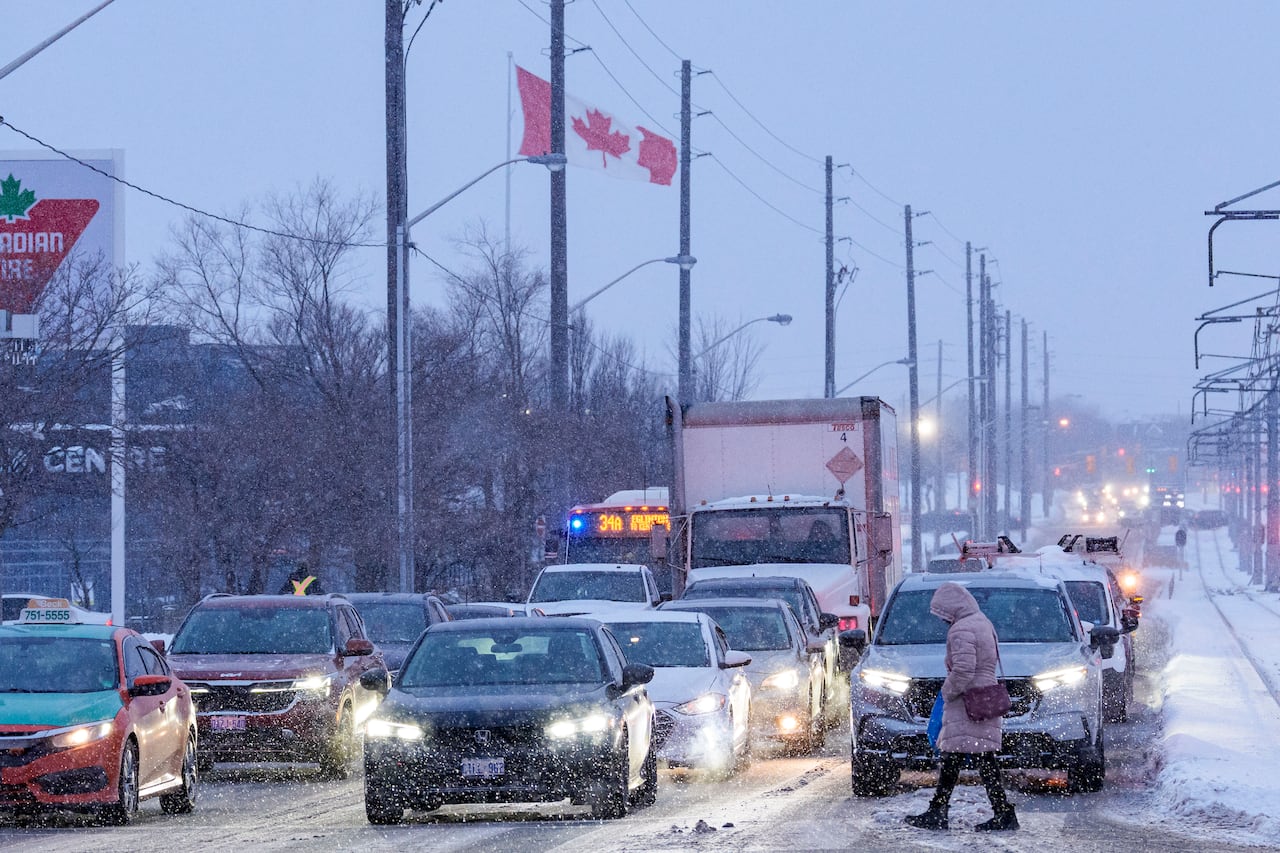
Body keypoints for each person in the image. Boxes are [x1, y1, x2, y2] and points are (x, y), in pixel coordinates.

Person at [905, 581, 1017, 832]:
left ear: (950, 608)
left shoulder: (961, 629)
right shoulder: (982, 621)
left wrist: (947, 692)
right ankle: (998, 812)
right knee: (971, 758)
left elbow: (964, 670)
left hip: (967, 702)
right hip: (984, 698)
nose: (942, 620)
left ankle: (941, 812)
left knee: (961, 758)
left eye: (942, 613)